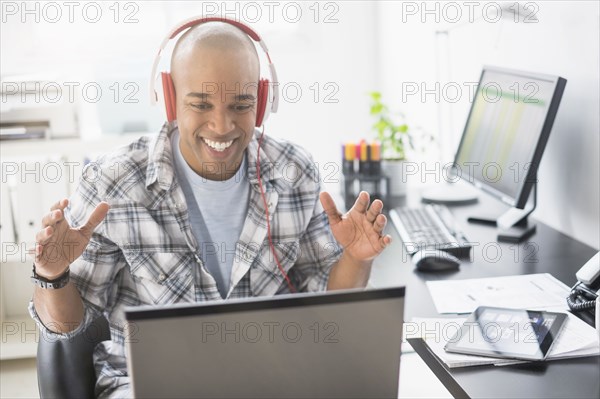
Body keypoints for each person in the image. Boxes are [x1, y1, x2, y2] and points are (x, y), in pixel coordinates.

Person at [29, 19, 392, 397]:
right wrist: (52, 275)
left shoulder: (293, 171)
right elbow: (70, 328)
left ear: (263, 102)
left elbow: (328, 301)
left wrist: (355, 256)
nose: (222, 126)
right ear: (169, 99)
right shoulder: (113, 183)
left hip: (267, 376)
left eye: (241, 104)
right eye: (201, 104)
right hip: (149, 386)